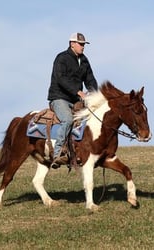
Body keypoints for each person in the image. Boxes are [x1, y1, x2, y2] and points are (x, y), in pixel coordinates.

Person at [47, 32, 98, 168]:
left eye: (84, 44)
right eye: (80, 44)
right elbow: (60, 79)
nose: (83, 47)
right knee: (68, 120)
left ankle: (79, 153)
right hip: (59, 98)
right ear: (72, 44)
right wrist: (78, 92)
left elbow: (90, 80)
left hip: (76, 100)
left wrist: (95, 95)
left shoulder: (84, 60)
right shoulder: (62, 58)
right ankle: (57, 154)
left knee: (91, 119)